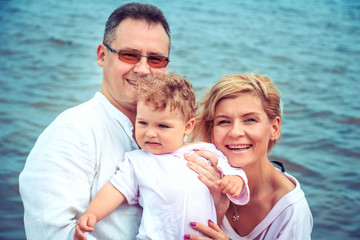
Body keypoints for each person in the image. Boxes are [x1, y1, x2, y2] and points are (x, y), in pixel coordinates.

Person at [19, 3, 172, 239]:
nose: (143, 70)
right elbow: (51, 232)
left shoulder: (175, 138)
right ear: (102, 55)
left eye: (155, 60)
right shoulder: (72, 133)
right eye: (129, 55)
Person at [74, 72, 250, 240]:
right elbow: (114, 190)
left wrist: (235, 180)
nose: (150, 133)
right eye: (143, 123)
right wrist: (92, 214)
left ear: (187, 127)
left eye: (163, 126)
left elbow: (231, 169)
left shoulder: (205, 151)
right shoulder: (137, 161)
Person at [184, 73, 313, 239]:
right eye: (224, 121)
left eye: (250, 120)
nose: (236, 132)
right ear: (212, 129)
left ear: (274, 128)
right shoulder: (199, 174)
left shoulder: (291, 211)